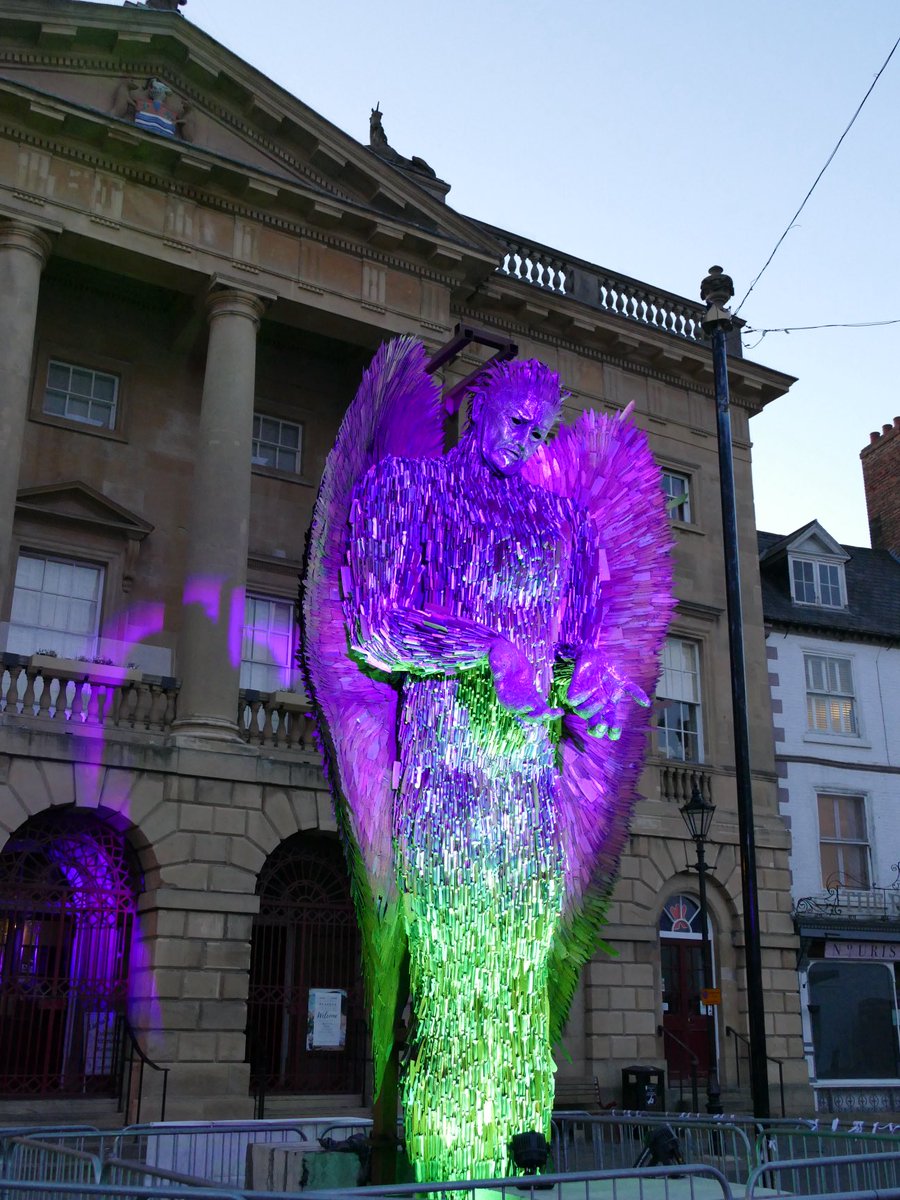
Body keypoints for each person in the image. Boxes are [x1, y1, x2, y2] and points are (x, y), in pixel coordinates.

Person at [303, 340, 673, 1182]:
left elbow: (577, 651)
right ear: (477, 409)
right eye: (514, 422)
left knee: (516, 978)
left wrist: (596, 686)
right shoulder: (410, 493)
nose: (525, 444)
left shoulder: (562, 527)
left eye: (540, 433)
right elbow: (378, 629)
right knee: (452, 977)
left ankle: (515, 1159)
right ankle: (447, 1167)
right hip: (445, 779)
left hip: (528, 787)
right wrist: (486, 650)